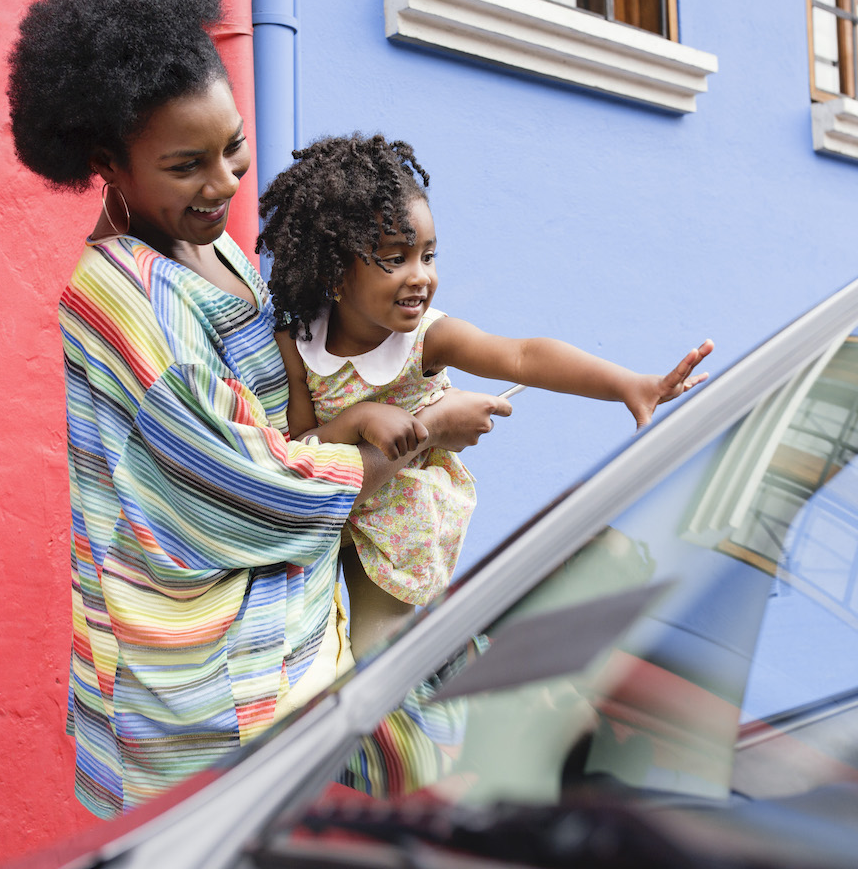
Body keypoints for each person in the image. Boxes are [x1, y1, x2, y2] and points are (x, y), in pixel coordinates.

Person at [5, 0, 507, 818]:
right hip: (207, 688)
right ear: (108, 163)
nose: (225, 182)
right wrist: (417, 432)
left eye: (234, 146)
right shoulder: (122, 302)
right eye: (186, 164)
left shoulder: (206, 244)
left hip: (291, 643)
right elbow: (245, 491)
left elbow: (284, 425)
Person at [257, 134, 715, 656]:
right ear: (334, 272)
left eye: (428, 256)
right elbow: (303, 446)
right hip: (326, 516)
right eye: (395, 258)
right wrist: (360, 418)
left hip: (395, 525)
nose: (421, 277)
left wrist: (627, 385)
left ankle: (450, 667)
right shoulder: (298, 342)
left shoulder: (427, 338)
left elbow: (524, 356)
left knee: (376, 663)